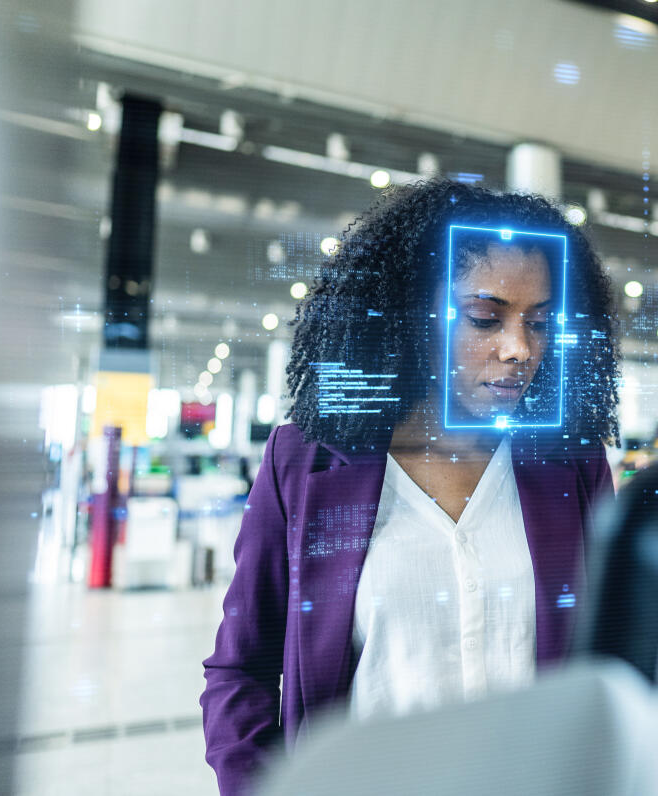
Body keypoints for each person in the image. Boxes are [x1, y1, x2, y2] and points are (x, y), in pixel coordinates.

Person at [200, 179, 620, 795]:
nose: (518, 349)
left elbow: (610, 656)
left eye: (538, 322)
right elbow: (242, 669)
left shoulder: (570, 465)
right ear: (412, 316)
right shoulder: (307, 465)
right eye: (485, 318)